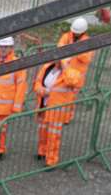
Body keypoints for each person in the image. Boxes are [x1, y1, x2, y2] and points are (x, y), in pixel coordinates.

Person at [35, 17, 93, 166]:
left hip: (71, 81)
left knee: (54, 133)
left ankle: (51, 159)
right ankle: (42, 152)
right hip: (47, 103)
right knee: (43, 129)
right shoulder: (50, 65)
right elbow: (37, 83)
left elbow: (85, 59)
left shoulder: (87, 44)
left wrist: (67, 62)